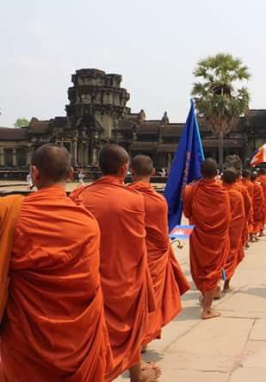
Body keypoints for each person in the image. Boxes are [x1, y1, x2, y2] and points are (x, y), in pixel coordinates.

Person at [0, 144, 112, 382]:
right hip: (77, 341)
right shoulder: (87, 222)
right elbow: (90, 285)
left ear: (34, 172)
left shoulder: (9, 213)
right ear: (71, 174)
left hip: (25, 338)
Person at [70, 144, 158, 382]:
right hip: (124, 274)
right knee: (130, 328)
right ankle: (134, 375)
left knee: (95, 331)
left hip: (90, 277)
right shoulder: (135, 199)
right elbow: (139, 241)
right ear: (124, 168)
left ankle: (99, 372)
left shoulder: (78, 196)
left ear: (98, 167)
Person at [129, 155, 190, 346]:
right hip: (153, 257)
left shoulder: (124, 197)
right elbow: (162, 236)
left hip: (128, 258)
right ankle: (144, 340)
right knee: (150, 298)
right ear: (153, 173)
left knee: (132, 301)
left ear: (131, 171)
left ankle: (136, 340)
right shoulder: (158, 201)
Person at [183, 159, 230, 320]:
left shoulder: (191, 190)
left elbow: (187, 213)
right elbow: (226, 217)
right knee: (212, 270)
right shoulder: (223, 192)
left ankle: (206, 297)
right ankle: (207, 310)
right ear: (217, 172)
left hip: (198, 236)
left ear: (200, 172)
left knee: (201, 268)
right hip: (217, 238)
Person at [221, 169, 246, 293]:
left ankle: (214, 285)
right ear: (236, 179)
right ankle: (226, 284)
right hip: (233, 232)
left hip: (218, 231)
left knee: (218, 257)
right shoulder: (237, 195)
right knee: (231, 256)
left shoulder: (217, 193)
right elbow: (242, 214)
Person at [248, 172, 264, 242]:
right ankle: (254, 234)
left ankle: (251, 236)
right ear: (256, 178)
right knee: (256, 221)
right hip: (257, 207)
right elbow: (261, 198)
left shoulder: (247, 186)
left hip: (250, 206)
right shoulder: (258, 187)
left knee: (250, 221)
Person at [257, 169, 266, 234]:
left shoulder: (257, 180)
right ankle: (265, 222)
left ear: (259, 173)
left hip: (257, 200)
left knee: (257, 215)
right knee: (265, 212)